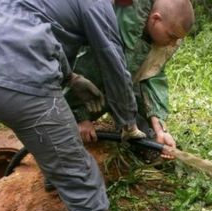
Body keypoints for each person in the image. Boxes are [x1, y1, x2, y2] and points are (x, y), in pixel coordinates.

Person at [0, 0, 190, 211]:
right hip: (19, 72)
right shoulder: (97, 5)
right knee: (77, 168)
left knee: (43, 131)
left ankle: (54, 175)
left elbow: (34, 28)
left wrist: (69, 78)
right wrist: (128, 123)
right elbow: (113, 64)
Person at [67, 0, 195, 163]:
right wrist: (80, 118)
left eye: (177, 40)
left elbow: (153, 76)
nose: (172, 43)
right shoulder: (118, 16)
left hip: (123, 83)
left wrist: (160, 128)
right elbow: (80, 69)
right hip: (77, 82)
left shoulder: (164, 34)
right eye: (171, 36)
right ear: (155, 19)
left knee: (134, 94)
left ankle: (148, 142)